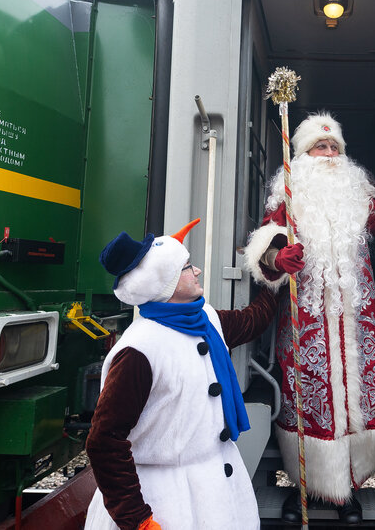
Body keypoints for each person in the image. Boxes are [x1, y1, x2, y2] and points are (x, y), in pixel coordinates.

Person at [243, 112, 375, 524]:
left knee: (357, 399)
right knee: (309, 399)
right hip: (307, 321)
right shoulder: (289, 192)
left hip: (357, 320)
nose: (330, 153)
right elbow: (266, 244)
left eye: (335, 146)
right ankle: (306, 487)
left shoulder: (357, 191)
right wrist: (277, 257)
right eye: (321, 147)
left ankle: (347, 491)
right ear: (304, 155)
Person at [85, 218, 284, 530]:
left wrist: (276, 275)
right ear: (166, 282)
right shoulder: (139, 351)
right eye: (187, 267)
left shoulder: (204, 319)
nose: (198, 271)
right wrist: (138, 520)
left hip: (215, 492)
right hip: (166, 502)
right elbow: (104, 441)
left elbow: (251, 321)